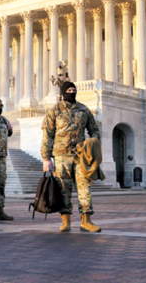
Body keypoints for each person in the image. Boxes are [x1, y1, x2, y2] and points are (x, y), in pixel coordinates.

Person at [41, 81, 101, 233]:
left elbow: (94, 129)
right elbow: (47, 136)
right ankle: (65, 220)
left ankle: (86, 221)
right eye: (69, 89)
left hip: (81, 156)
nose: (72, 92)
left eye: (74, 89)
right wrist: (46, 158)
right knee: (63, 188)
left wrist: (93, 143)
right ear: (62, 92)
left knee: (85, 187)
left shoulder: (84, 109)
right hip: (61, 155)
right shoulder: (54, 111)